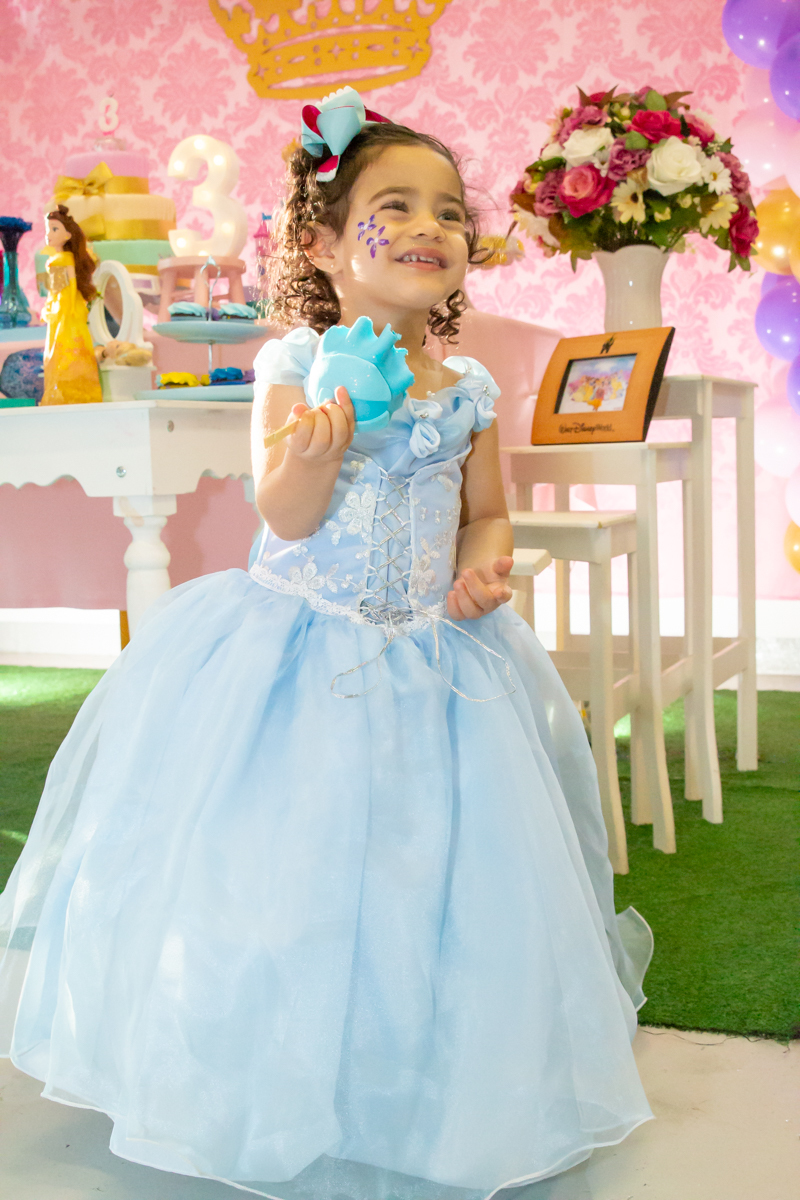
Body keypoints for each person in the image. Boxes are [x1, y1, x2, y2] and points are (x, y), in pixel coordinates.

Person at [0, 90, 653, 1199]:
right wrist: (317, 444)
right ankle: (262, 1063)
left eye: (448, 211)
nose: (427, 227)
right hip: (298, 651)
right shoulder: (294, 366)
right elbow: (286, 512)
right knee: (286, 867)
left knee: (433, 867)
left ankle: (423, 1074)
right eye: (391, 205)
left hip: (434, 660)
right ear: (322, 242)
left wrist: (481, 565)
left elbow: (482, 509)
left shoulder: (469, 388)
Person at [39, 204, 102, 405]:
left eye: (55, 229)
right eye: (48, 229)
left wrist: (56, 308)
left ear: (68, 235)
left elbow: (63, 288)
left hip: (64, 309)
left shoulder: (62, 259)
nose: (49, 234)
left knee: (63, 352)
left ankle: (67, 394)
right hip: (62, 308)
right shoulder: (59, 258)